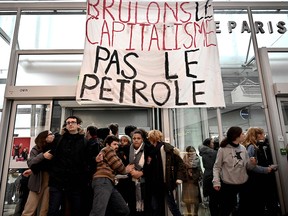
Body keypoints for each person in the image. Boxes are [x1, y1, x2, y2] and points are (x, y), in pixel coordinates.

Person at [212, 126, 268, 216]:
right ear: (236, 136)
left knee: (244, 208)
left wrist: (252, 162)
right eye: (242, 133)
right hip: (229, 184)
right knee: (226, 209)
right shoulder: (223, 149)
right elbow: (217, 167)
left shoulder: (243, 148)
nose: (244, 135)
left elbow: (247, 166)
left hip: (243, 183)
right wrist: (216, 182)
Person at [47, 116, 89, 216]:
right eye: (68, 122)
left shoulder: (84, 141)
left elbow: (85, 161)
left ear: (78, 125)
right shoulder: (58, 139)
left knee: (76, 209)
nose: (70, 124)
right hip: (57, 180)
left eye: (73, 122)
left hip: (75, 181)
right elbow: (50, 156)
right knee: (53, 209)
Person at [89, 135, 134, 216]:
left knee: (123, 209)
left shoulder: (106, 151)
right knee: (98, 212)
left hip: (108, 181)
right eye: (114, 144)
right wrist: (126, 169)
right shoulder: (108, 149)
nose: (117, 146)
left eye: (117, 144)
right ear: (107, 144)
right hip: (103, 180)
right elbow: (118, 165)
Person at [145, 129, 186, 216]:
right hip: (154, 183)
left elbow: (180, 163)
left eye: (150, 138)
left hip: (165, 182)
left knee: (171, 205)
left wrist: (179, 177)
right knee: (156, 206)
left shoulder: (167, 149)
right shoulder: (150, 151)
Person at [242, 127, 279, 216]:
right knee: (263, 203)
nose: (264, 135)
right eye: (262, 133)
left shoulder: (259, 145)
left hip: (262, 178)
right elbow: (251, 166)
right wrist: (266, 169)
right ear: (257, 135)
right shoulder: (251, 147)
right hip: (259, 179)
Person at [22, 130, 55, 216]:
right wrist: (43, 156)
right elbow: (31, 162)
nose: (53, 136)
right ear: (44, 137)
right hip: (37, 180)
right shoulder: (36, 148)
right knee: (29, 209)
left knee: (44, 210)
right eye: (50, 134)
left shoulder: (54, 148)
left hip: (50, 181)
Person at [198, 138, 220, 216]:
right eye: (212, 143)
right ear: (208, 144)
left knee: (212, 199)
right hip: (213, 176)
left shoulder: (204, 153)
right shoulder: (213, 153)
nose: (214, 144)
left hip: (207, 175)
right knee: (215, 199)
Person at [182, 146, 202, 216]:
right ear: (187, 152)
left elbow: (199, 168)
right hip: (187, 180)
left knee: (196, 198)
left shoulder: (197, 158)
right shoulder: (184, 158)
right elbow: (182, 168)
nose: (192, 152)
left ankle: (195, 213)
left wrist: (199, 177)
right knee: (187, 198)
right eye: (190, 151)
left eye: (193, 150)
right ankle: (189, 212)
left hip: (194, 180)